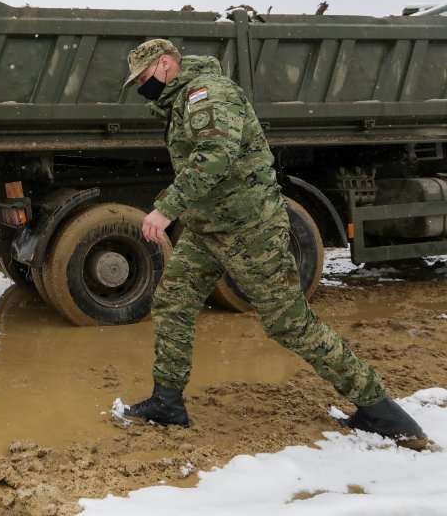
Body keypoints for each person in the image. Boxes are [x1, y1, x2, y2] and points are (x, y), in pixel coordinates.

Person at [118, 39, 428, 449]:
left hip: (249, 230)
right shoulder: (183, 100)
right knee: (173, 304)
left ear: (164, 64)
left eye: (143, 78)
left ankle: (383, 411)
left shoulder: (208, 93)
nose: (142, 87)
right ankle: (167, 403)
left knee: (290, 323)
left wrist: (166, 208)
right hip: (208, 227)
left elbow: (216, 154)